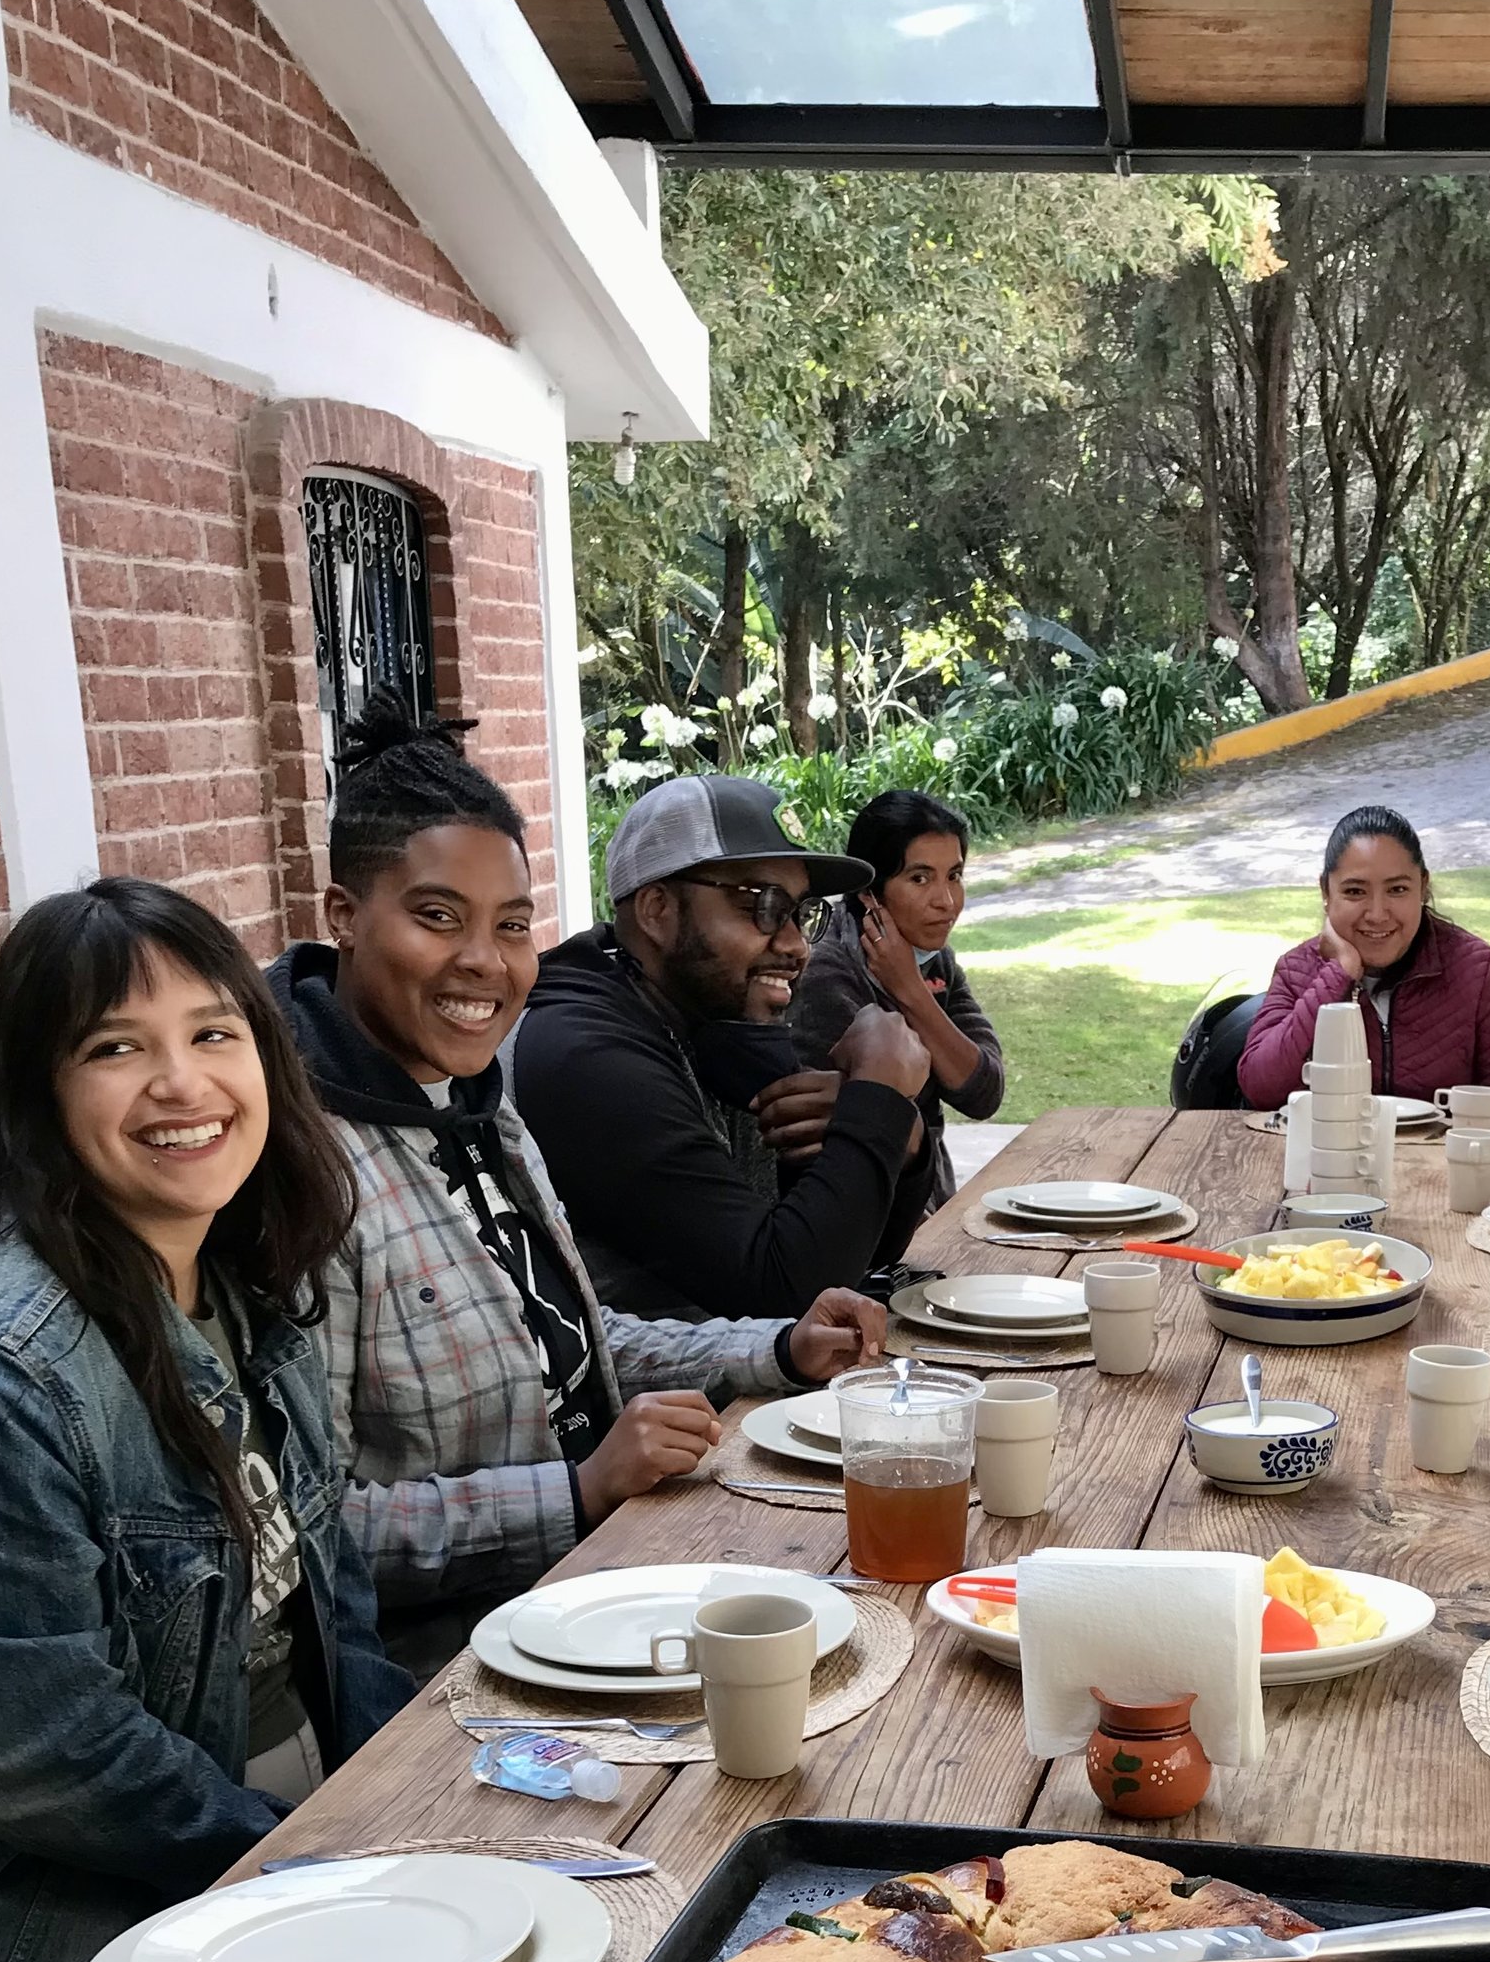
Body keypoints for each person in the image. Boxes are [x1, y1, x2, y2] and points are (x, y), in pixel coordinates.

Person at [0, 879, 412, 1962]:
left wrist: (418, 1800)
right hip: (70, 1912)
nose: (182, 1084)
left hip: (273, 1833)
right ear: (38, 1093)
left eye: (213, 1034)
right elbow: (40, 1750)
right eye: (115, 1048)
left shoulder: (241, 1283)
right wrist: (306, 1870)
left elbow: (327, 1595)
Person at [274, 709, 884, 1671]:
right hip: (453, 1669)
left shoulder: (475, 1100)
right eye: (438, 916)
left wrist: (776, 1346)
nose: (486, 959)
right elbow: (311, 1531)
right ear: (343, 916)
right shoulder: (298, 1168)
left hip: (604, 1577)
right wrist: (578, 1488)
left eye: (512, 925)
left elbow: (568, 1343)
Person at [514, 773, 937, 1321]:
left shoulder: (708, 1016)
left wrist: (897, 1132)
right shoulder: (586, 1055)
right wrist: (878, 1097)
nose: (794, 944)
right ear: (656, 910)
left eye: (800, 913)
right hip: (635, 1402)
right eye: (761, 906)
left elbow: (848, 1252)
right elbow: (781, 1288)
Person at [1237, 806, 1490, 1117]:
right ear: (1326, 891)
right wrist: (1338, 974)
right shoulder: (1297, 970)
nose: (1376, 914)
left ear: (1423, 887)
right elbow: (1261, 1089)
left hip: (1443, 1164)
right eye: (1355, 891)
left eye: (1397, 889)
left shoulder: (1476, 970)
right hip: (1329, 1162)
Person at [790, 789, 1004, 1225]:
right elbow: (833, 1139)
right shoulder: (826, 973)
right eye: (920, 878)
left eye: (955, 876)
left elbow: (983, 1091)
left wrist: (910, 988)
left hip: (928, 1197)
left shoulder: (932, 961)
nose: (946, 901)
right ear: (870, 893)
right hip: (865, 1218)